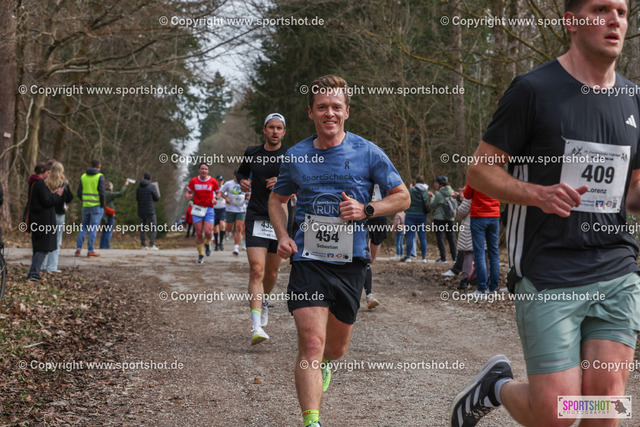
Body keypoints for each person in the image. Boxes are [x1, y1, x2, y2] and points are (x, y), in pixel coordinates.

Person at [450, 0, 640, 425]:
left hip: (616, 266)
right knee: (558, 413)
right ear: (571, 21)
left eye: (622, 11)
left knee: (608, 405)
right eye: (602, 9)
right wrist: (537, 194)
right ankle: (496, 387)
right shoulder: (533, 90)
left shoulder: (634, 98)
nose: (615, 20)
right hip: (549, 268)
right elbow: (480, 171)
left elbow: (632, 195)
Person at [269, 75, 410, 427]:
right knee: (311, 344)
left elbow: (402, 197)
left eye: (336, 107)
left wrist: (367, 209)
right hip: (308, 261)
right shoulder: (296, 155)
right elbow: (277, 199)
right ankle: (312, 421)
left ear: (347, 111)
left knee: (334, 348)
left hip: (351, 263)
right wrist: (283, 235)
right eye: (322, 107)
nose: (329, 113)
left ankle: (328, 363)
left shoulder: (368, 152)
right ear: (311, 112)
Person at [237, 113, 289, 345]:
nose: (275, 131)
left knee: (272, 273)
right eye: (271, 127)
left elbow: (302, 182)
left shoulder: (290, 155)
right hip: (256, 215)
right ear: (264, 129)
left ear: (284, 132)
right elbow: (241, 171)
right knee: (257, 270)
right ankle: (256, 325)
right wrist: (242, 181)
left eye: (279, 128)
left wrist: (283, 182)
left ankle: (264, 299)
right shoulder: (252, 152)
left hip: (280, 217)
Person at [26, 162, 63, 281]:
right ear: (42, 171)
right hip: (43, 221)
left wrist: (52, 194)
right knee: (43, 248)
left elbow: (43, 198)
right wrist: (57, 196)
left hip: (37, 220)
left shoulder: (34, 183)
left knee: (39, 248)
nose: (48, 175)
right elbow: (46, 202)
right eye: (47, 172)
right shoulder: (40, 184)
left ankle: (34, 273)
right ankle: (33, 274)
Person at [462, 183, 500, 295]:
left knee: (479, 253)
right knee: (494, 253)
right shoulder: (498, 176)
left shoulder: (475, 175)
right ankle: (493, 288)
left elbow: (467, 195)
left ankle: (482, 288)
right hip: (494, 216)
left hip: (478, 216)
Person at [41, 161, 73, 273]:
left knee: (45, 239)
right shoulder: (64, 183)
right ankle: (52, 267)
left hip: (47, 214)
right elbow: (69, 198)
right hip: (59, 215)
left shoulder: (46, 182)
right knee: (57, 241)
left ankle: (42, 265)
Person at [185, 163, 218, 263]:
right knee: (199, 232)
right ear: (199, 170)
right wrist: (187, 195)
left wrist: (215, 198)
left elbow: (218, 193)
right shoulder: (194, 180)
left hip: (209, 208)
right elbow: (188, 192)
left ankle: (207, 243)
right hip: (197, 208)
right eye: (202, 169)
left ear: (208, 171)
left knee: (208, 232)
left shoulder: (213, 181)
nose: (204, 171)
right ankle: (200, 255)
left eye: (206, 169)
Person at [76, 159, 105, 257]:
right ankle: (90, 250)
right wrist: (102, 204)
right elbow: (102, 193)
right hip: (96, 207)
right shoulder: (100, 176)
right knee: (93, 228)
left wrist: (84, 200)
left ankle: (78, 249)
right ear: (99, 166)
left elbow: (79, 192)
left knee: (83, 227)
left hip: (86, 206)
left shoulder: (83, 176)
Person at [363, 184, 386, 309]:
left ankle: (366, 292)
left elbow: (396, 193)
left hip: (380, 219)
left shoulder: (384, 178)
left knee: (371, 260)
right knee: (365, 258)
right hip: (364, 218)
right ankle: (369, 296)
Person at [400, 176, 429, 263]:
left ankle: (408, 256)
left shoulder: (411, 190)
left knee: (410, 236)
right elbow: (426, 200)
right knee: (422, 237)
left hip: (410, 215)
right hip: (422, 216)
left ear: (416, 182)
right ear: (423, 182)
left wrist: (410, 188)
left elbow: (406, 198)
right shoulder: (425, 191)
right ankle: (424, 258)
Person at [429, 175, 457, 263]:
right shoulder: (453, 192)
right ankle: (454, 258)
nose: (435, 185)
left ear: (440, 184)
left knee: (440, 238)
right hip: (450, 218)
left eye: (437, 183)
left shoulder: (438, 194)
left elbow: (433, 205)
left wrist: (432, 196)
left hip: (439, 219)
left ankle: (443, 258)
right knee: (451, 238)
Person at [220, 170, 247, 256]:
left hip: (241, 209)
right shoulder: (228, 183)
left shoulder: (245, 183)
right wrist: (226, 198)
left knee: (239, 228)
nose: (237, 178)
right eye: (236, 176)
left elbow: (249, 193)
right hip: (230, 209)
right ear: (234, 176)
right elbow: (221, 192)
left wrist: (248, 196)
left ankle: (236, 248)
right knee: (229, 228)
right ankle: (226, 233)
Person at [99, 179, 129, 249]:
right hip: (109, 214)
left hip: (102, 215)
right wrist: (125, 185)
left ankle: (102, 246)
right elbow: (120, 193)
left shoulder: (101, 194)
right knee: (109, 230)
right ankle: (106, 246)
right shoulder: (110, 194)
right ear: (110, 188)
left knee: (104, 231)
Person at [137, 172, 160, 250]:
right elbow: (156, 198)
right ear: (150, 178)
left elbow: (137, 198)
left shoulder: (138, 188)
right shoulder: (152, 187)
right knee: (153, 228)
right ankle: (151, 245)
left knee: (142, 229)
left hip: (141, 210)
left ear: (143, 178)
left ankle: (143, 245)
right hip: (150, 210)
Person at [213, 175, 227, 251]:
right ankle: (216, 244)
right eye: (218, 180)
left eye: (221, 181)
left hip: (223, 209)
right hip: (214, 209)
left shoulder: (225, 188)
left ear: (223, 181)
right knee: (215, 229)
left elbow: (228, 197)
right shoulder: (213, 188)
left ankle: (221, 243)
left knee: (222, 225)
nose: (220, 182)